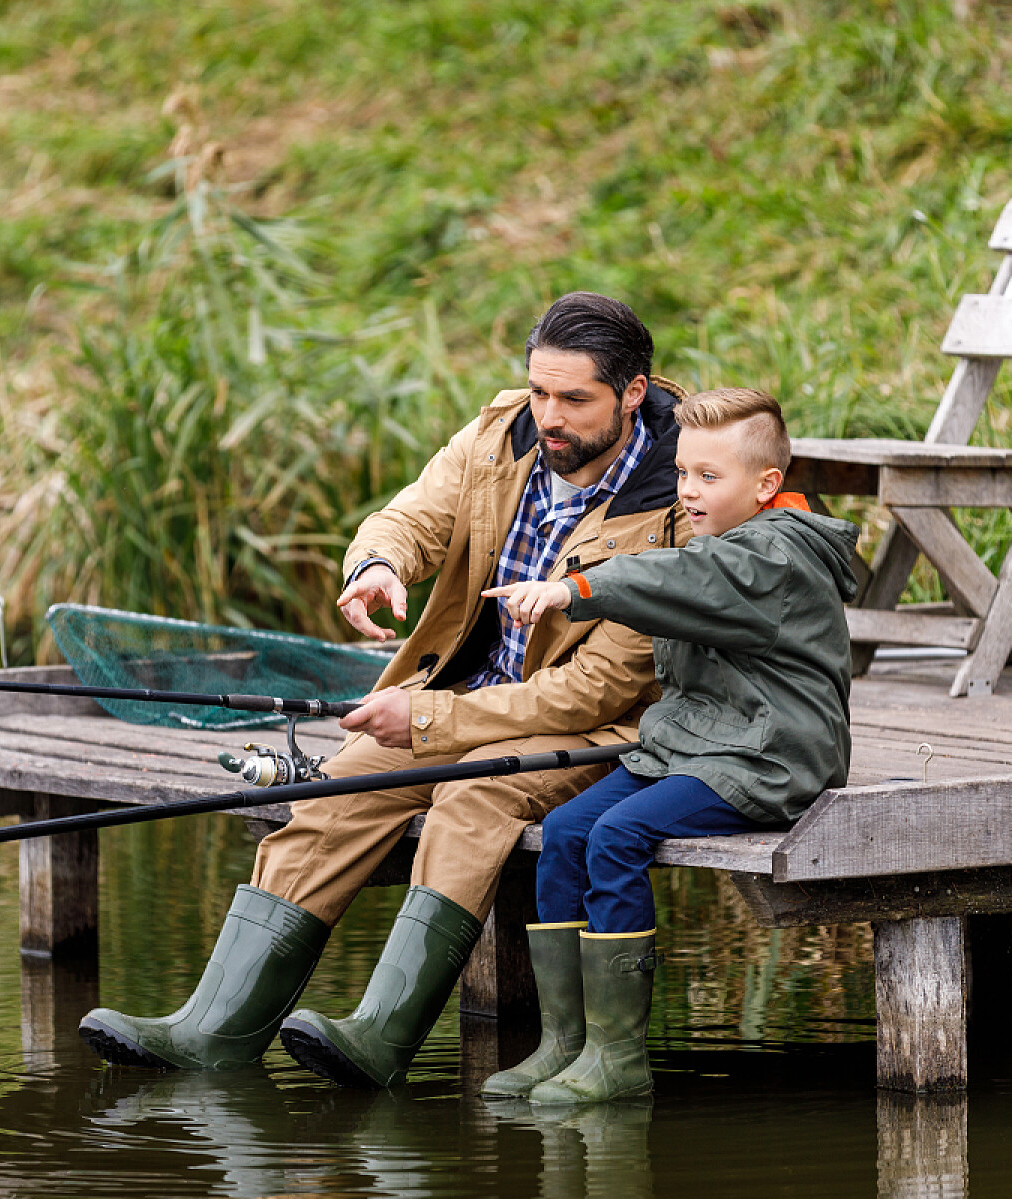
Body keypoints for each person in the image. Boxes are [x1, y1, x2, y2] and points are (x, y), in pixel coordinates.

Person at [80, 292, 691, 1087]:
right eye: (540, 391)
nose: (550, 415)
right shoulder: (500, 435)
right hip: (462, 701)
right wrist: (376, 565)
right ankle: (213, 1030)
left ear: (633, 393)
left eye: (574, 399)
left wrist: (429, 717)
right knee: (338, 790)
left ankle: (382, 1035)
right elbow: (411, 517)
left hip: (595, 731)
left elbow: (596, 690)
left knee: (472, 801)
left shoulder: (675, 501)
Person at [476, 388, 860, 1104]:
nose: (687, 491)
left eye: (708, 477)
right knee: (564, 830)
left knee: (619, 834)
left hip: (772, 758)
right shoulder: (718, 537)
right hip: (697, 746)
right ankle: (564, 1042)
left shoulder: (773, 555)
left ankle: (618, 1057)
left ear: (766, 485)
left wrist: (574, 589)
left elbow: (682, 579)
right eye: (682, 473)